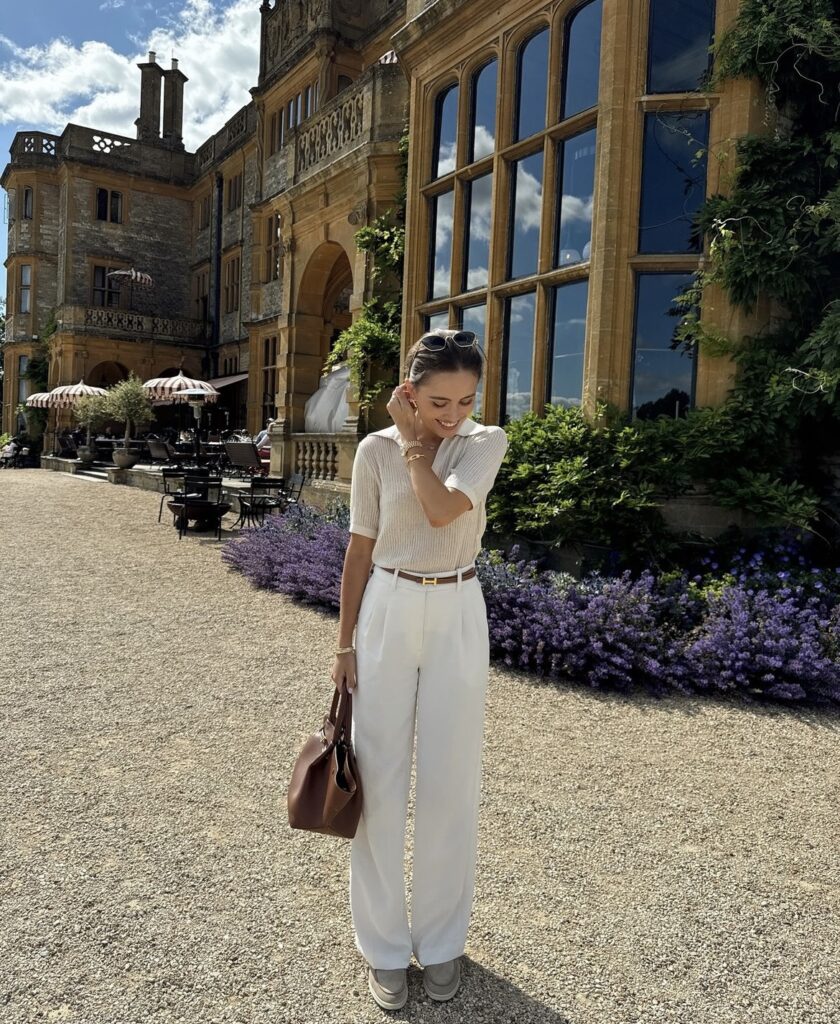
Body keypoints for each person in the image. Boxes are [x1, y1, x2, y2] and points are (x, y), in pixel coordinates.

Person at [331, 329, 508, 1011]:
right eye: (438, 401)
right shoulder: (374, 452)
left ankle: (440, 943)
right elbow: (357, 551)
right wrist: (343, 644)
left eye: (464, 400)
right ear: (408, 391)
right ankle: (381, 946)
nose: (453, 414)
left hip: (460, 607)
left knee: (450, 780)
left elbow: (440, 512)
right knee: (376, 777)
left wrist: (416, 445)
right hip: (387, 604)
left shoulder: (484, 443)